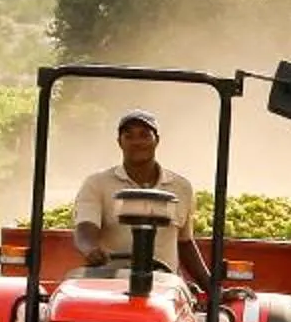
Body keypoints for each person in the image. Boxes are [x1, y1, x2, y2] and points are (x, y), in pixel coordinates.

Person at [70, 108, 197, 274]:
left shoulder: (181, 187)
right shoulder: (97, 184)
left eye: (144, 135)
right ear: (119, 142)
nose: (137, 142)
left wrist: (212, 288)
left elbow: (185, 243)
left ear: (156, 140)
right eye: (129, 136)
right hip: (111, 281)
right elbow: (86, 227)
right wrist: (90, 249)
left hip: (164, 287)